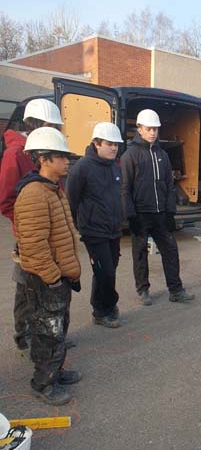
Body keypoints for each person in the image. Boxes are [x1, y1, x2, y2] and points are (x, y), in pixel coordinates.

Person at [14, 127, 82, 406]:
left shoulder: (53, 190)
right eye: (61, 157)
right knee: (46, 331)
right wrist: (53, 277)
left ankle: (55, 371)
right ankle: (42, 383)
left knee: (58, 327)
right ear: (43, 159)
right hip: (46, 279)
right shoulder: (34, 194)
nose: (67, 162)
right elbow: (34, 245)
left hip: (58, 277)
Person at [0, 99, 65, 358]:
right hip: (30, 235)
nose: (58, 131)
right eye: (54, 125)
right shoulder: (16, 154)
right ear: (40, 124)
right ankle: (24, 333)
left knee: (47, 288)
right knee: (27, 288)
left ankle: (48, 335)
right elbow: (6, 199)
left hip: (50, 233)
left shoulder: (40, 151)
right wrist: (29, 225)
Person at [121, 109, 195, 304]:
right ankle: (143, 290)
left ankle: (176, 290)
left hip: (161, 214)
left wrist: (170, 212)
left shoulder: (163, 154)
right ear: (139, 129)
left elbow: (169, 186)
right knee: (140, 253)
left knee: (170, 250)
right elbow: (124, 188)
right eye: (149, 129)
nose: (153, 132)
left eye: (155, 129)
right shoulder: (130, 155)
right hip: (141, 214)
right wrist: (131, 215)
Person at [66, 122, 123, 328]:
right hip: (94, 231)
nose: (114, 148)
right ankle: (104, 309)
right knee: (104, 271)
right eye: (110, 144)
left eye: (116, 144)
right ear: (96, 143)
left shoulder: (115, 167)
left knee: (109, 271)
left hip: (114, 230)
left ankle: (102, 306)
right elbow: (71, 200)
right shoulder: (82, 168)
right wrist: (80, 226)